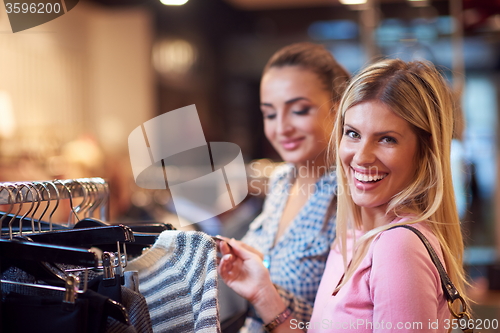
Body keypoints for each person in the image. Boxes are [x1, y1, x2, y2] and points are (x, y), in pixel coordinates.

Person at [218, 59, 470, 332]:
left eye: (387, 139)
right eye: (352, 134)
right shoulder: (350, 237)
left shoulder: (398, 245)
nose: (361, 157)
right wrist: (262, 293)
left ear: (424, 151)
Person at [225, 42, 350, 332]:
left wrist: (266, 293)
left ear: (336, 108)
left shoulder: (351, 194)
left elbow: (346, 319)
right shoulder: (281, 180)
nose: (281, 128)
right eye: (270, 114)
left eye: (299, 110)